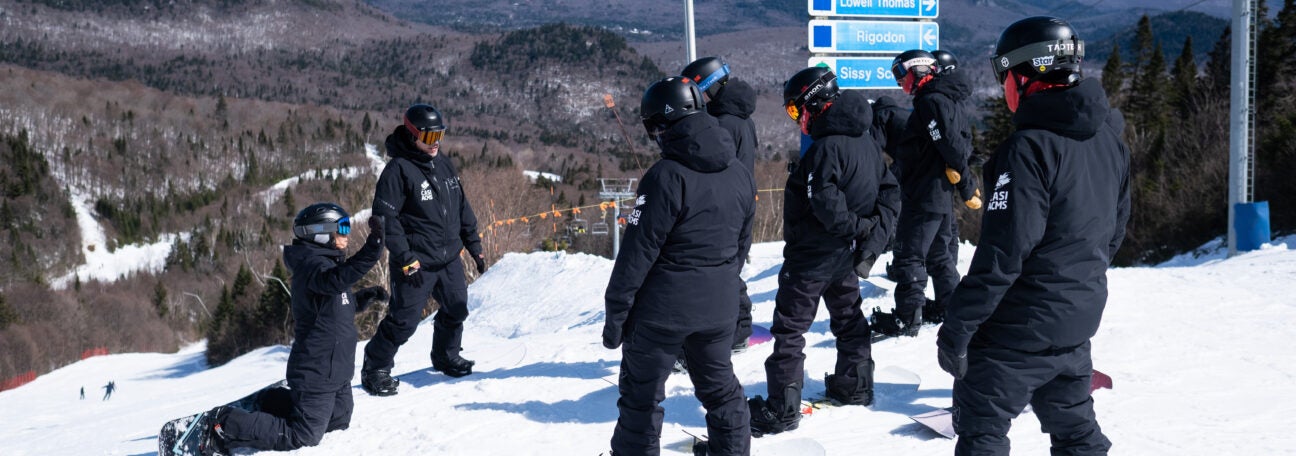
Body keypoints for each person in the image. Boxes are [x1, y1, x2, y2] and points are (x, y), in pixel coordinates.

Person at [937, 16, 1129, 455]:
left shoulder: (1027, 150)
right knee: (1076, 432)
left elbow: (1003, 256)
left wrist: (958, 327)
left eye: (1004, 76)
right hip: (1074, 324)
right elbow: (1112, 235)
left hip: (1015, 334)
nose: (1003, 87)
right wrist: (1072, 283)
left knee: (982, 432)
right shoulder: (1110, 141)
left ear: (1027, 76)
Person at [602, 76, 754, 456]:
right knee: (721, 391)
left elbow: (637, 253)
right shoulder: (738, 171)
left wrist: (616, 314)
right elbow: (741, 243)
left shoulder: (665, 176)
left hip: (663, 311)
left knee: (642, 398)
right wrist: (721, 281)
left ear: (662, 124)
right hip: (719, 306)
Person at [748, 67, 900, 436]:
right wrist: (869, 233)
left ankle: (782, 407)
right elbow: (889, 192)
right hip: (844, 256)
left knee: (790, 329)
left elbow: (826, 202)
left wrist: (859, 228)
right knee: (849, 318)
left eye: (798, 111)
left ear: (815, 103)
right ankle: (856, 384)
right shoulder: (867, 142)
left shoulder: (826, 148)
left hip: (812, 257)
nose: (798, 121)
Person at [209, 202, 387, 451]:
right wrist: (373, 248)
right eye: (342, 228)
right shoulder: (312, 267)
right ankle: (226, 424)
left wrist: (361, 299)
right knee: (303, 436)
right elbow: (334, 282)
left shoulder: (328, 266)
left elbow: (331, 308)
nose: (346, 234)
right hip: (316, 371)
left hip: (337, 371)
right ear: (321, 232)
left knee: (338, 421)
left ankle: (275, 402)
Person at [361, 103, 487, 396]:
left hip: (448, 258)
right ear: (412, 134)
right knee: (404, 321)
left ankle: (445, 355)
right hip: (415, 262)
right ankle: (375, 367)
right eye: (429, 138)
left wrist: (474, 245)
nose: (436, 144)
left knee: (456, 309)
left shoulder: (443, 164)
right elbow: (385, 220)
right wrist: (405, 259)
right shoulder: (398, 171)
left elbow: (461, 206)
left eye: (440, 136)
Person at [879, 49, 981, 337]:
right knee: (939, 256)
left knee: (909, 255)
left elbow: (949, 145)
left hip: (924, 192)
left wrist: (966, 183)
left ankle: (907, 316)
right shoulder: (946, 99)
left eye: (900, 74)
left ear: (919, 71)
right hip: (938, 192)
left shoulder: (930, 102)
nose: (899, 82)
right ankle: (950, 307)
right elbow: (956, 144)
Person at [681, 56, 758, 356]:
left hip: (726, 202)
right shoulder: (740, 117)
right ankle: (739, 326)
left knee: (722, 267)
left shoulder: (723, 122)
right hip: (741, 197)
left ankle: (735, 328)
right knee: (729, 264)